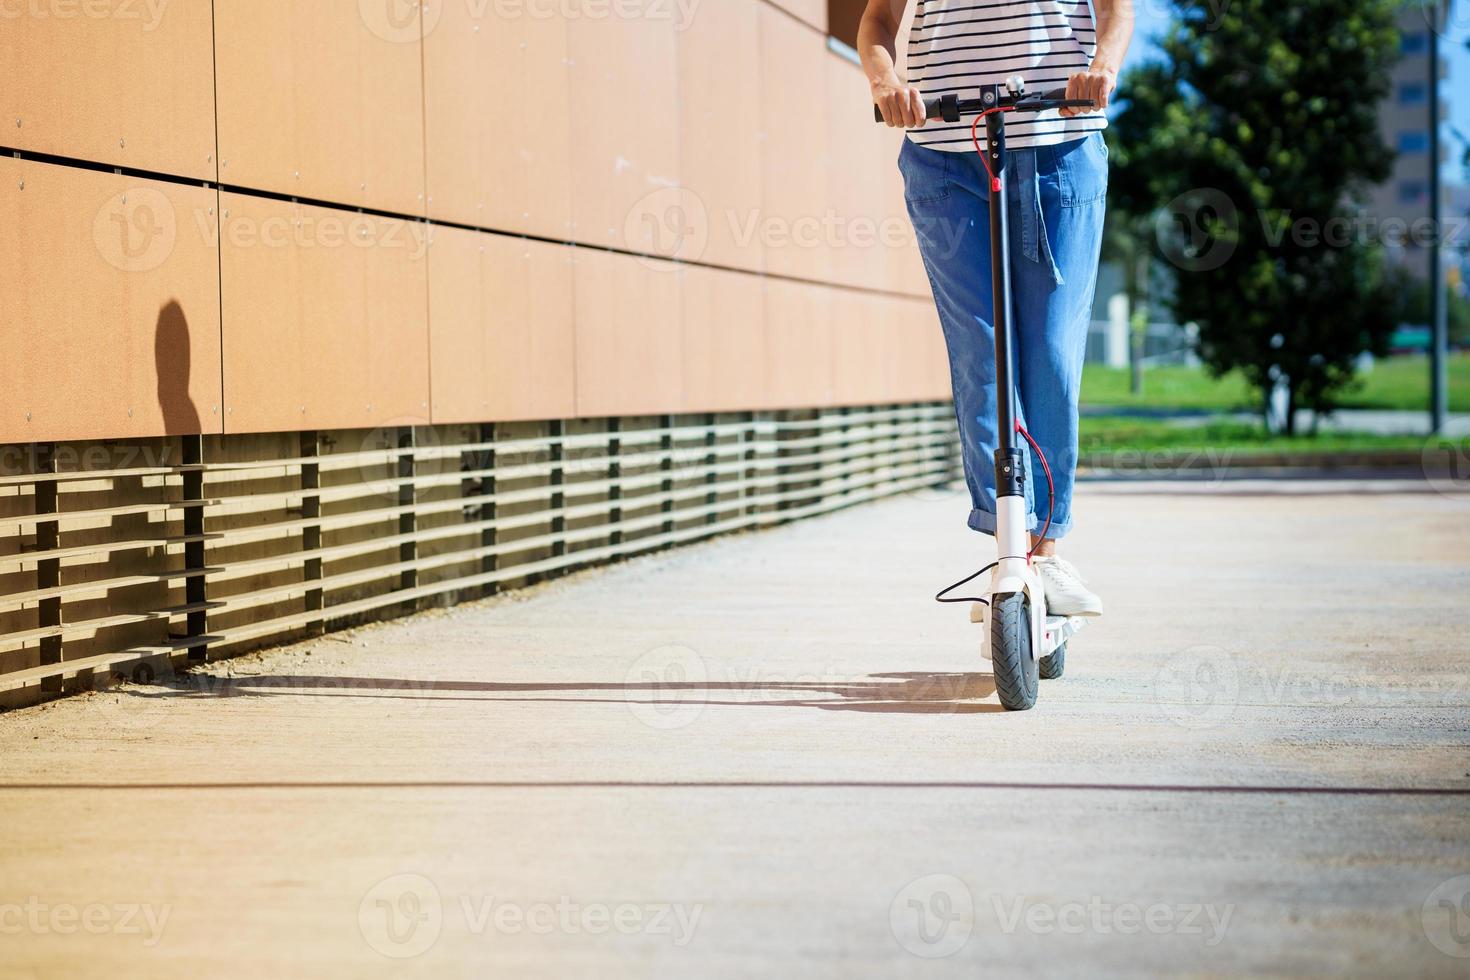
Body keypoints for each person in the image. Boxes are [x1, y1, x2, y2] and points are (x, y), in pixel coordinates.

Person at [858, 0, 1133, 617]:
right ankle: (1011, 544)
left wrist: (1103, 69)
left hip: (1058, 147)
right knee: (982, 355)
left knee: (1051, 354)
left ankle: (1046, 546)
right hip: (943, 156)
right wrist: (888, 83)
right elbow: (876, 21)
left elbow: (1118, 9)